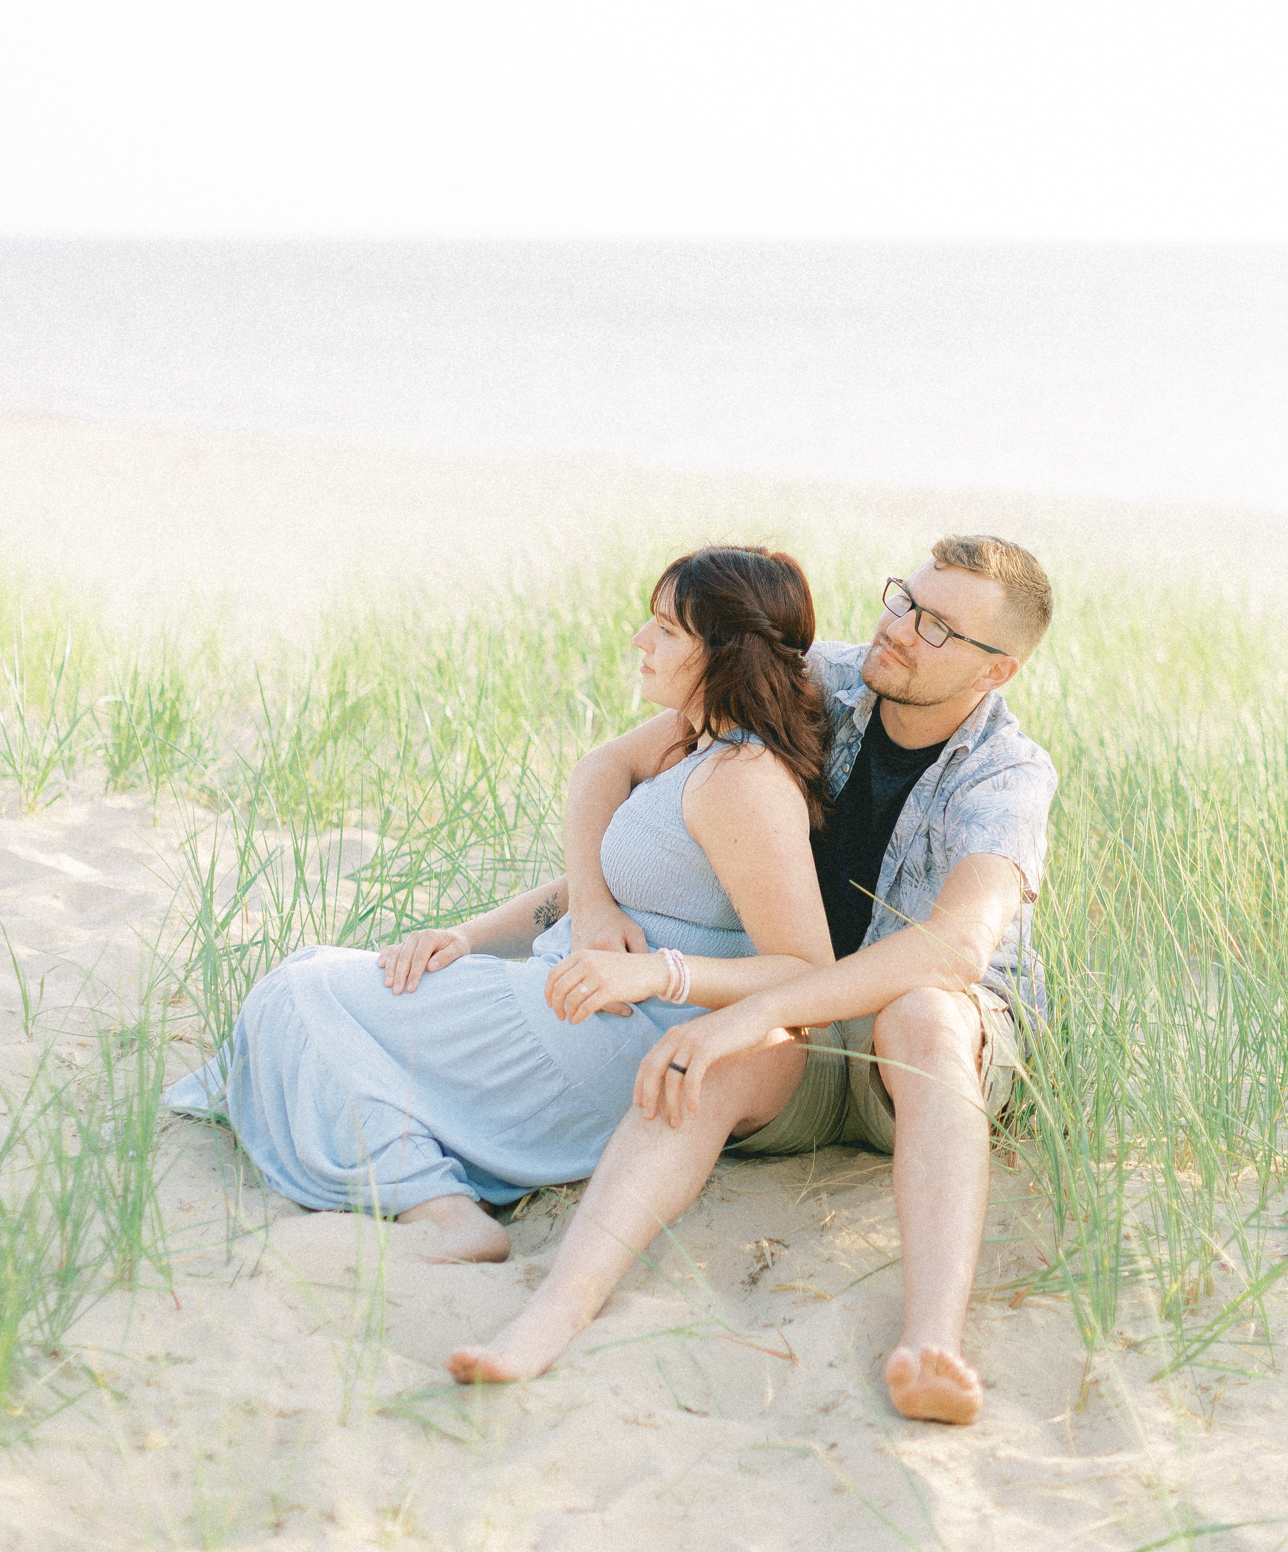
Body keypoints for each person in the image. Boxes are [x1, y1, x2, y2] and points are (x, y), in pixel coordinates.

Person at [446, 534, 1057, 1424]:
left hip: (935, 1056)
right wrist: (590, 903)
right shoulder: (819, 680)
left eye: (935, 627)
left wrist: (748, 1008)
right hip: (807, 1036)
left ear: (994, 671)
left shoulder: (1006, 774)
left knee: (922, 1012)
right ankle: (551, 1315)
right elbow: (608, 768)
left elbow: (954, 950)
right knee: (718, 1060)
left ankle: (932, 1342)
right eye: (902, 599)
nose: (898, 628)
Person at [163, 546, 835, 1262]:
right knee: (311, 978)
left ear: (725, 653)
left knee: (301, 995)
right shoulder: (692, 736)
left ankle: (439, 1210)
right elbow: (598, 772)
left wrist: (658, 973)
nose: (640, 641)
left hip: (609, 1037)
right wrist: (479, 933)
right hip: (558, 998)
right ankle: (436, 1199)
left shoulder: (741, 779)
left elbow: (806, 972)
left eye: (666, 630)